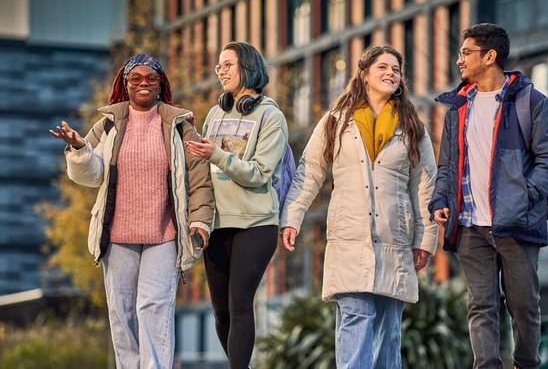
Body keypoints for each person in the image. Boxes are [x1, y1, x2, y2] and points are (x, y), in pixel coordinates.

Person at [50, 53, 214, 369]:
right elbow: (92, 174)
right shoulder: (109, 124)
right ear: (125, 85)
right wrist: (79, 149)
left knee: (153, 307)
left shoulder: (179, 125)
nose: (143, 84)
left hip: (164, 234)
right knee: (121, 310)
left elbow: (199, 177)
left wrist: (201, 221)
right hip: (118, 236)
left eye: (150, 78)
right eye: (135, 79)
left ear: (160, 84)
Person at [280, 45, 438, 369]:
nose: (390, 73)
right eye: (383, 67)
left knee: (389, 333)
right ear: (364, 74)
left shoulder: (412, 126)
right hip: (349, 242)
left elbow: (425, 186)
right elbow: (309, 172)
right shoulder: (336, 122)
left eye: (396, 69)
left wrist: (426, 239)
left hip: (395, 243)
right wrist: (291, 218)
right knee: (356, 321)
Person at [428, 23, 548, 369]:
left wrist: (523, 197)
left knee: (523, 306)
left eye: (466, 53)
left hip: (516, 222)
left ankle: (525, 364)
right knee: (481, 307)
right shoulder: (458, 108)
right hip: (471, 225)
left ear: (489, 57)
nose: (459, 60)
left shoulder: (531, 102)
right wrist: (441, 200)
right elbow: (447, 164)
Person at [185, 41, 288, 369]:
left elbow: (259, 173)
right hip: (217, 223)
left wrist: (215, 153)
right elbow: (200, 167)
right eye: (219, 66)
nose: (221, 71)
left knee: (240, 303)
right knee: (221, 312)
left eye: (228, 64)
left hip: (256, 224)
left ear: (248, 67)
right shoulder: (215, 114)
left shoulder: (271, 116)